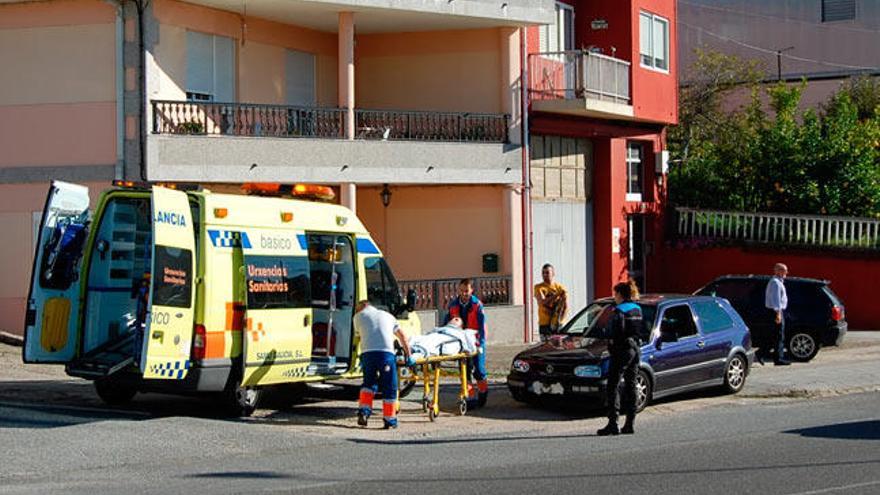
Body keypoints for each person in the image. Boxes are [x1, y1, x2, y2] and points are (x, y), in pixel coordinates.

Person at [354, 300, 414, 429]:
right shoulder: (388, 316)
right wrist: (408, 355)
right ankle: (389, 419)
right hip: (386, 354)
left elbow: (358, 337)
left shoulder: (357, 317)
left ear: (361, 308)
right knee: (389, 386)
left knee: (368, 384)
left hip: (367, 355)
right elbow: (402, 336)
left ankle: (364, 412)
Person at [597, 281, 643, 436]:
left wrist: (610, 345)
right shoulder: (637, 309)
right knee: (631, 385)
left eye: (615, 294)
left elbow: (614, 332)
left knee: (613, 385)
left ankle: (613, 423)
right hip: (635, 349)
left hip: (621, 350)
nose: (614, 297)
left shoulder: (618, 311)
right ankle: (630, 423)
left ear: (620, 295)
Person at [443, 278, 488, 408]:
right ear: (459, 290)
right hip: (462, 343)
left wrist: (481, 342)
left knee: (479, 370)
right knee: (464, 370)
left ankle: (483, 393)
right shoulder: (453, 305)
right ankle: (469, 397)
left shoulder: (477, 305)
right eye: (462, 291)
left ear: (471, 290)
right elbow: (447, 324)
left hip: (476, 341)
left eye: (467, 291)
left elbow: (482, 326)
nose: (464, 293)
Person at [764, 263, 791, 366]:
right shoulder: (775, 282)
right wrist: (778, 313)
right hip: (775, 312)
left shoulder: (779, 282)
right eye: (784, 270)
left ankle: (774, 356)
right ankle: (778, 358)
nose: (786, 273)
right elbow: (776, 300)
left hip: (777, 311)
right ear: (778, 271)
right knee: (779, 335)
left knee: (777, 335)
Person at [533, 263, 569, 340]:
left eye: (547, 272)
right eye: (543, 273)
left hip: (557, 323)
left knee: (558, 347)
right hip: (544, 324)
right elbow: (542, 302)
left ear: (553, 273)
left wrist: (561, 320)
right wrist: (556, 295)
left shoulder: (559, 287)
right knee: (545, 347)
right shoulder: (538, 287)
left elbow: (565, 306)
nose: (545, 275)